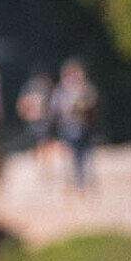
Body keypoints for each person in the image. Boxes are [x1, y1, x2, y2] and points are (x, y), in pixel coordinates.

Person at [51, 58, 99, 192]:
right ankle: (74, 182)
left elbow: (93, 105)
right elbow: (55, 109)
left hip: (83, 126)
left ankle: (83, 182)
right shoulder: (61, 91)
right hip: (68, 126)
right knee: (71, 155)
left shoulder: (86, 89)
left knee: (84, 155)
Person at [17, 70, 58, 178]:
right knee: (39, 143)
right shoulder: (32, 88)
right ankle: (42, 165)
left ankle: (44, 166)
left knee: (44, 142)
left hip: (41, 120)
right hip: (36, 119)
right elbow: (23, 105)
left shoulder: (42, 88)